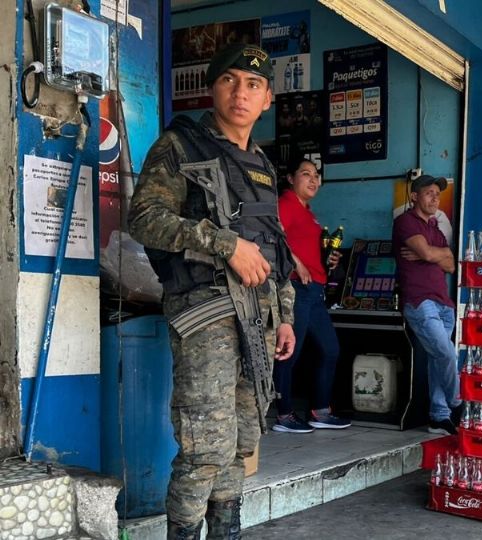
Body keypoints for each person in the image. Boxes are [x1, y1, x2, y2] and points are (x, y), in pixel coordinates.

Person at [128, 43, 295, 540]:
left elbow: (276, 252)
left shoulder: (261, 162)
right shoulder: (181, 146)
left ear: (267, 99)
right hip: (207, 315)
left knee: (240, 444)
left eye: (253, 84)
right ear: (212, 87)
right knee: (205, 448)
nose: (240, 93)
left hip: (258, 321)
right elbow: (144, 219)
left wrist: (284, 315)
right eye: (230, 80)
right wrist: (225, 244)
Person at [274, 157, 350, 433]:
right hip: (295, 289)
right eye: (305, 173)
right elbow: (272, 236)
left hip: (315, 291)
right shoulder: (286, 203)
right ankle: (283, 415)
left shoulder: (309, 213)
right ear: (290, 179)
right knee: (288, 353)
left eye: (316, 175)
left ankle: (320, 410)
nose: (313, 179)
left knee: (330, 349)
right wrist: (296, 262)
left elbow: (306, 247)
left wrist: (327, 259)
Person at [392, 175, 462, 436]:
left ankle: (439, 416)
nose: (435, 198)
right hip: (420, 302)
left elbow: (450, 263)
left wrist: (434, 254)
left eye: (437, 194)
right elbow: (430, 254)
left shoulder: (435, 229)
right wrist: (433, 255)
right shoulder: (405, 222)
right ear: (414, 197)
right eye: (429, 193)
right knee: (446, 353)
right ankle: (457, 402)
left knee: (437, 357)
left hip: (444, 303)